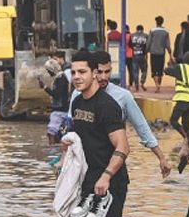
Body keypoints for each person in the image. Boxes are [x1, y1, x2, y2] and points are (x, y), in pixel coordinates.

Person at [65, 50, 129, 217]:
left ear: (94, 73)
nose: (77, 77)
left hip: (110, 181)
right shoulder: (77, 103)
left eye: (82, 72)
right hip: (88, 180)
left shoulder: (107, 105)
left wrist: (106, 176)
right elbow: (83, 140)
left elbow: (123, 147)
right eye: (73, 72)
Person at [69, 50, 171, 178]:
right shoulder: (78, 96)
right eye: (100, 72)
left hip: (112, 168)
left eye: (107, 72)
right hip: (85, 170)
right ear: (93, 72)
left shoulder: (122, 96)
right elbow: (72, 130)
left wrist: (161, 158)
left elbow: (141, 127)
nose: (103, 77)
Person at [40, 51, 70, 145]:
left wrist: (45, 87)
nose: (49, 73)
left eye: (49, 71)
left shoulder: (61, 78)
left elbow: (56, 94)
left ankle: (52, 149)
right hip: (61, 109)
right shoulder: (59, 77)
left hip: (60, 110)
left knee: (51, 133)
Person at [165, 52, 189, 139]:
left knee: (173, 120)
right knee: (185, 122)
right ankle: (188, 140)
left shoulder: (181, 67)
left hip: (183, 98)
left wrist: (170, 64)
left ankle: (186, 138)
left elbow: (167, 71)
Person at [148, 16, 171, 93]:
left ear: (156, 22)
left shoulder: (152, 30)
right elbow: (167, 44)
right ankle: (159, 85)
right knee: (160, 70)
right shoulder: (166, 32)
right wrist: (170, 52)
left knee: (154, 70)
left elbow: (149, 42)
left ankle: (157, 85)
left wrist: (146, 51)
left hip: (153, 53)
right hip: (162, 53)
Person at [129, 24, 150, 91]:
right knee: (144, 70)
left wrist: (134, 49)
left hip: (134, 55)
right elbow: (148, 45)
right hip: (142, 55)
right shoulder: (146, 36)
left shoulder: (132, 35)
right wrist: (146, 52)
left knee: (135, 71)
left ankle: (136, 85)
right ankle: (142, 81)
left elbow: (130, 44)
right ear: (142, 29)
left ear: (136, 29)